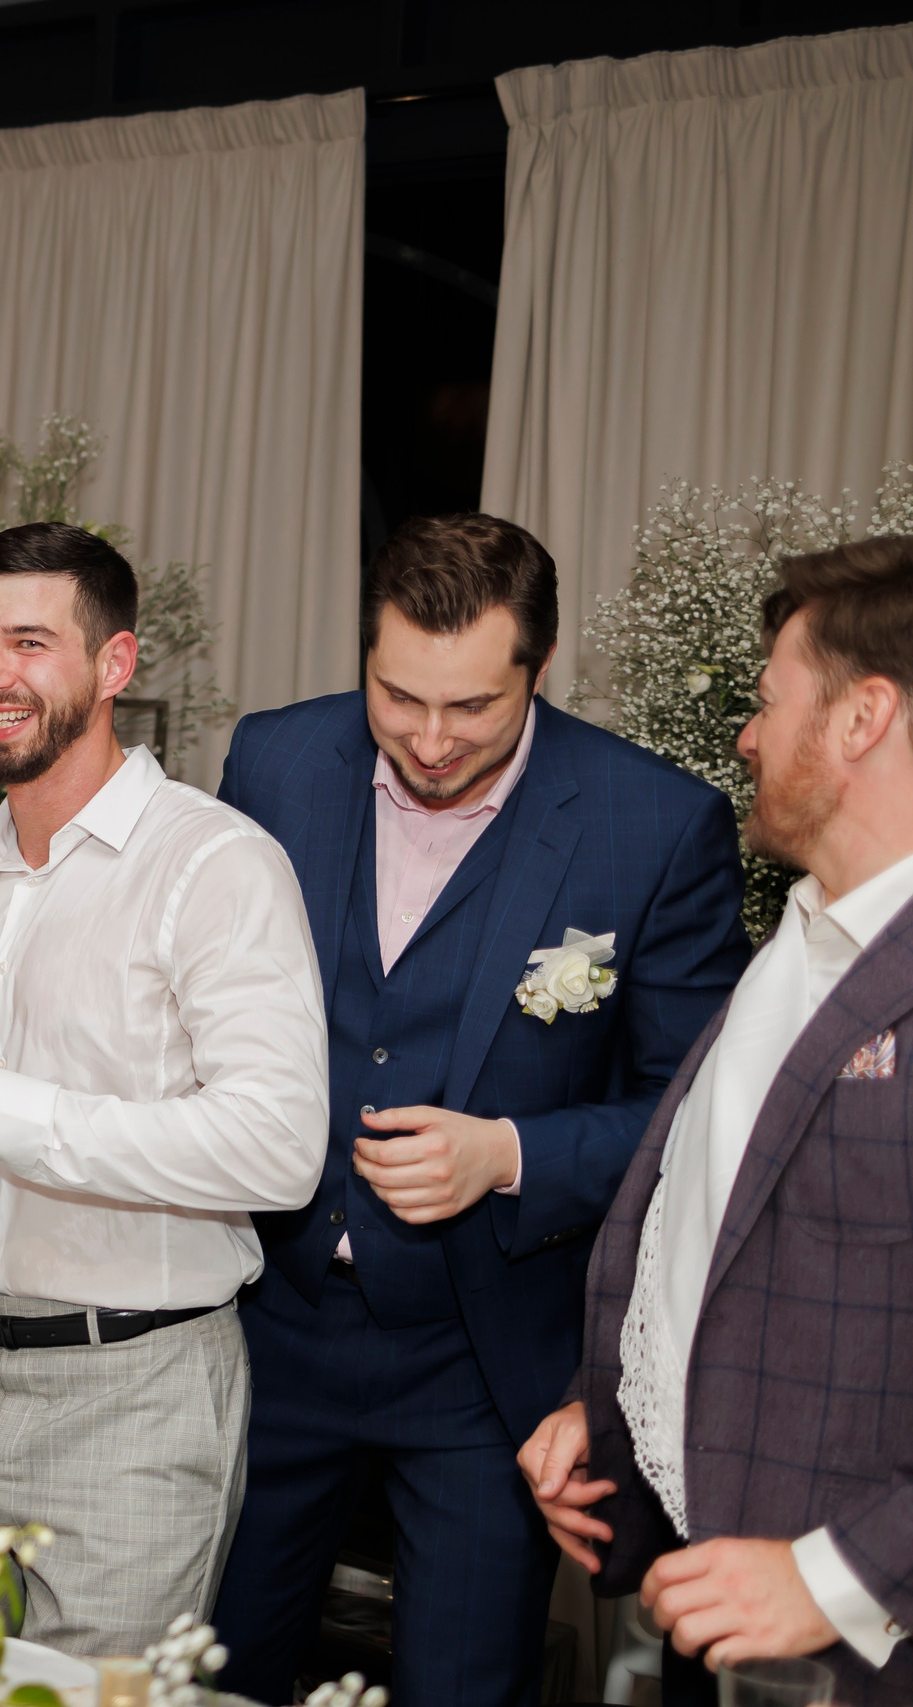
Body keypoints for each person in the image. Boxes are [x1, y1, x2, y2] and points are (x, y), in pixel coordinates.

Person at [207, 514, 751, 1707]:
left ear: (538, 670)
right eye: (398, 697)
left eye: (472, 708)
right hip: (268, 1321)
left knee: (463, 1684)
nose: (429, 738)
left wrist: (510, 1154)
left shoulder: (653, 825)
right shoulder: (274, 763)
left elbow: (697, 1114)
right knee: (213, 1670)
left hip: (488, 1355)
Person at [0, 521, 327, 1656]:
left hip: (136, 1385)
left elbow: (278, 1146)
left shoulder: (216, 864)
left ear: (114, 663)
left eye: (30, 642)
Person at [521, 536, 913, 1707]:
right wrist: (610, 1409)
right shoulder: (799, 941)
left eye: (768, 700)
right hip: (712, 1600)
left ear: (861, 718)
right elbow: (712, 1228)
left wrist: (842, 1577)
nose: (745, 735)